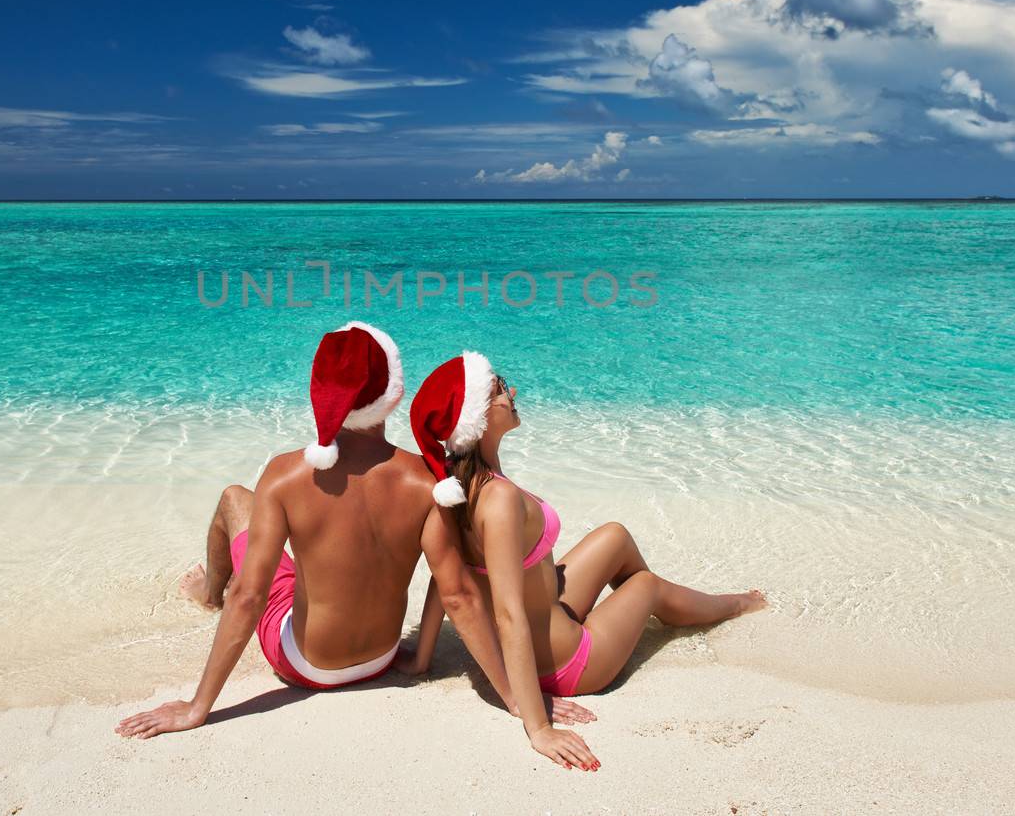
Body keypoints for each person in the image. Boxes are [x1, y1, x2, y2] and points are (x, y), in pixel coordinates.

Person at [115, 324, 595, 759]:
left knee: (233, 500)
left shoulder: (285, 477)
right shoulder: (422, 480)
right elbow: (458, 595)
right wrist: (513, 696)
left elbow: (250, 596)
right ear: (394, 392)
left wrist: (198, 707)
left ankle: (206, 593)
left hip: (306, 664)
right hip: (380, 658)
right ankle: (226, 590)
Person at [402, 351, 766, 760]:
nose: (512, 391)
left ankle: (654, 615)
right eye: (500, 388)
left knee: (615, 536)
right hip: (568, 660)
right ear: (476, 415)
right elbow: (507, 615)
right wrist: (537, 725)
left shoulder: (457, 483)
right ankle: (732, 605)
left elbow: (446, 581)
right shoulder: (498, 500)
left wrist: (422, 658)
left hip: (553, 616)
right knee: (646, 585)